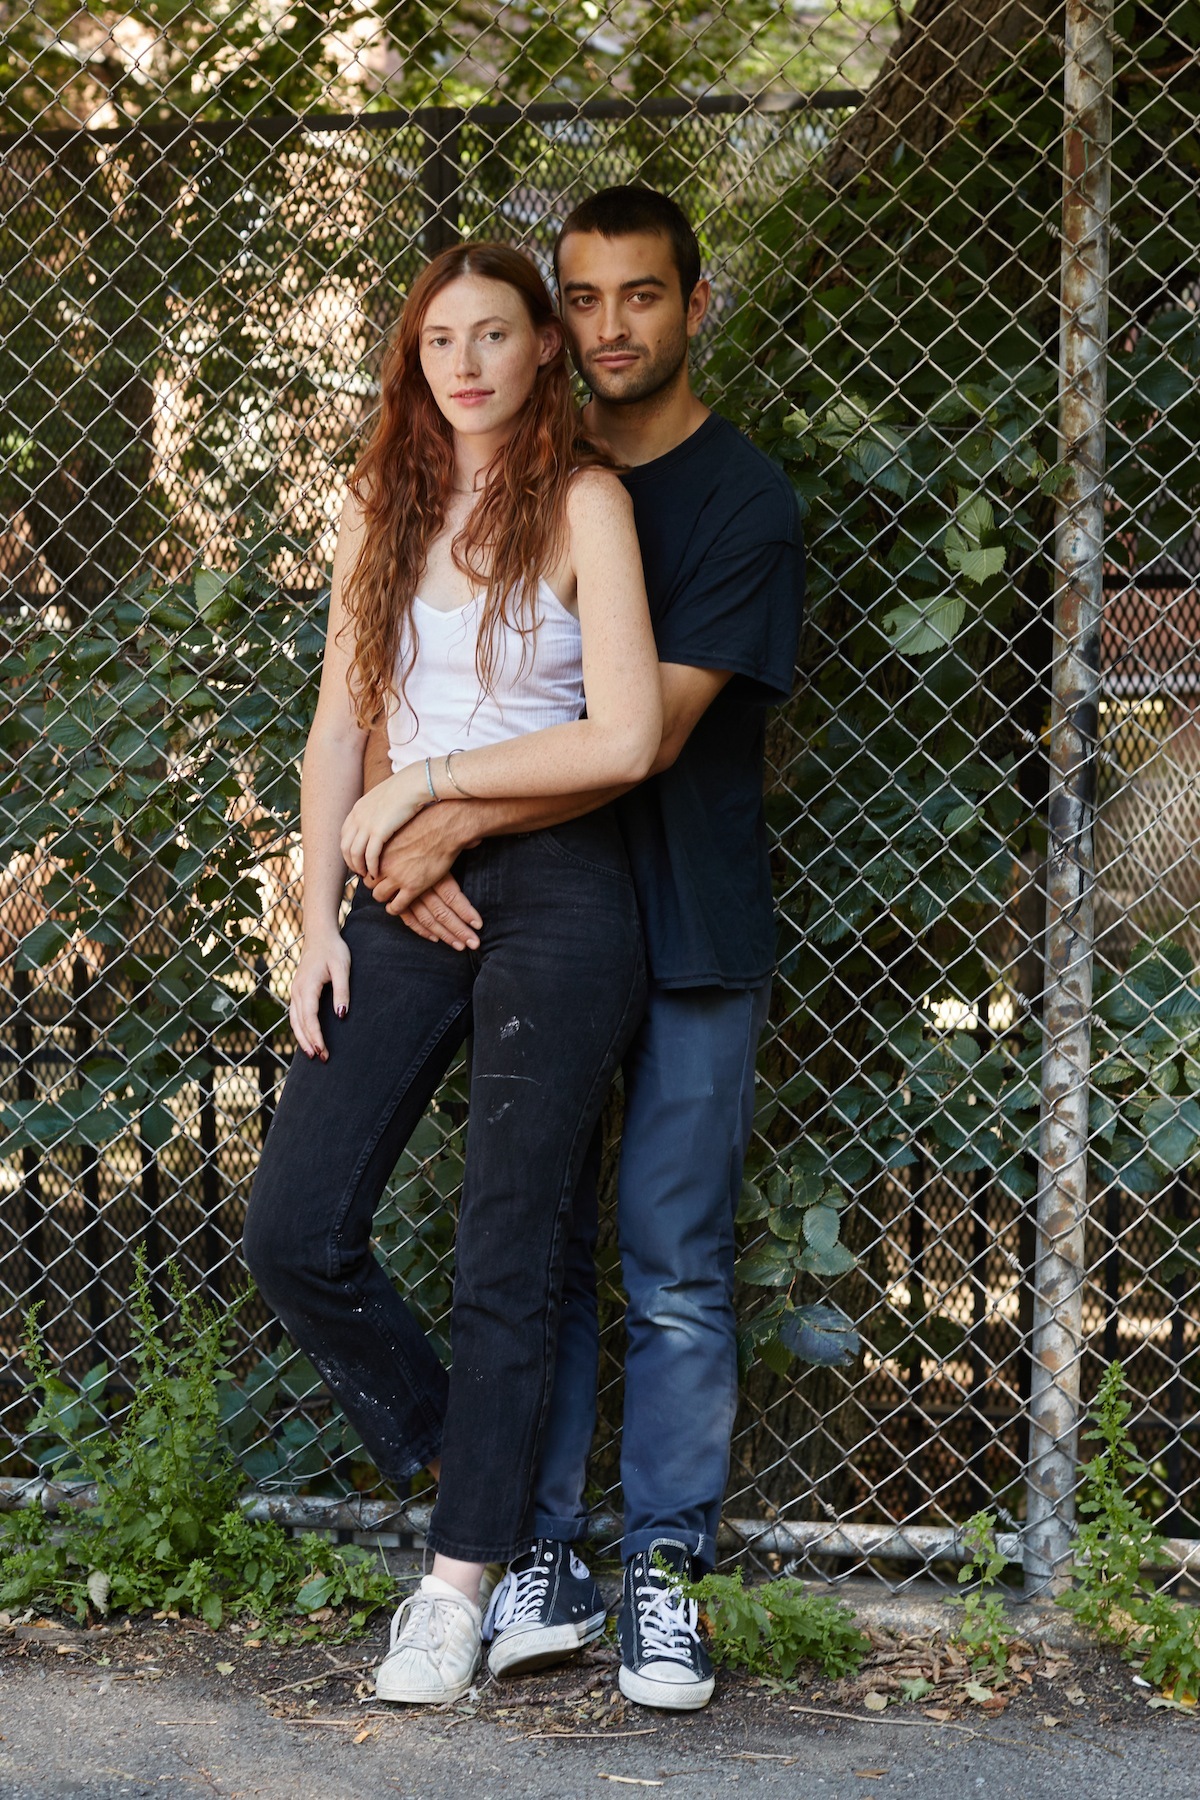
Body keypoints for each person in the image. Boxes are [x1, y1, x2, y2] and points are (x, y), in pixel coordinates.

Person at [362, 188, 804, 1711]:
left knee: (672, 1261)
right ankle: (534, 1548)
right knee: (532, 1244)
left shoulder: (737, 501)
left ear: (695, 305)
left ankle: (664, 1571)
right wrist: (413, 832)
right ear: (558, 326)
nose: (613, 325)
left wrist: (431, 817)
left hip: (681, 919)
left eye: (643, 295)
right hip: (532, 912)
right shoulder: (512, 473)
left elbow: (639, 738)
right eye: (588, 297)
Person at [242, 240, 662, 1707]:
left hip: (556, 879)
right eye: (438, 341)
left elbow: (623, 737)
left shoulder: (588, 503)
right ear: (412, 360)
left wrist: (436, 792)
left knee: (509, 1246)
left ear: (545, 348)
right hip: (396, 889)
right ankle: (479, 1475)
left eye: (494, 335)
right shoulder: (383, 503)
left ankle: (456, 1586)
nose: (466, 364)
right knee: (296, 1230)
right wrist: (316, 922)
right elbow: (336, 730)